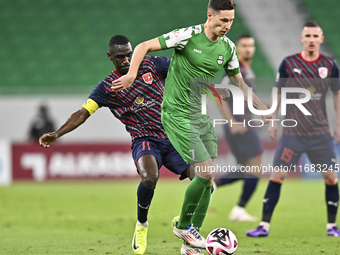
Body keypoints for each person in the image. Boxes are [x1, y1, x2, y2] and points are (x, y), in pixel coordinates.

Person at [112, 0, 272, 252]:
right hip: (176, 114)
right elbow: (143, 46)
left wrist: (260, 106)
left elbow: (238, 82)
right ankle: (183, 226)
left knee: (208, 182)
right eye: (222, 20)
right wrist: (132, 75)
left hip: (200, 116)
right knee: (206, 171)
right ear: (210, 16)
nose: (227, 26)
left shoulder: (228, 48)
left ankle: (191, 246)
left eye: (230, 20)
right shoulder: (187, 36)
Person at [39, 35, 203, 255]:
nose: (126, 60)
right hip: (145, 140)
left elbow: (184, 69)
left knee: (204, 179)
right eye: (120, 57)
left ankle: (184, 226)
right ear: (110, 57)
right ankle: (142, 225)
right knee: (150, 177)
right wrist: (57, 133)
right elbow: (82, 113)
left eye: (129, 54)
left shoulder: (151, 64)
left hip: (173, 137)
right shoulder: (107, 88)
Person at [246, 21, 340, 238]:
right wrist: (275, 119)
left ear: (321, 39)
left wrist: (338, 123)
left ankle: (331, 226)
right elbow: (278, 91)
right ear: (302, 38)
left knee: (331, 178)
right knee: (276, 176)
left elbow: (337, 93)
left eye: (315, 36)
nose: (311, 40)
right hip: (293, 134)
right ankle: (263, 226)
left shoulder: (330, 65)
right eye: (308, 36)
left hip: (320, 134)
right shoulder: (289, 63)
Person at [214, 34, 261, 222]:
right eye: (244, 45)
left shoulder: (247, 71)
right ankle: (236, 207)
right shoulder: (235, 70)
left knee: (250, 169)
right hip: (239, 125)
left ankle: (213, 187)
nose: (248, 49)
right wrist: (232, 121)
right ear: (237, 48)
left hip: (245, 123)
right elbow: (220, 95)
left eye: (251, 45)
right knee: (255, 170)